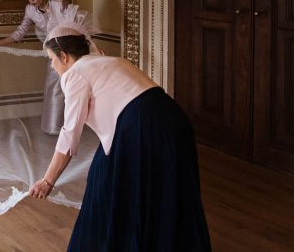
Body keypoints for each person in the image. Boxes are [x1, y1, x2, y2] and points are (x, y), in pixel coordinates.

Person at [29, 25, 212, 251]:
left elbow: (70, 133)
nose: (52, 66)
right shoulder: (111, 60)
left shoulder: (74, 74)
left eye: (51, 59)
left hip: (140, 126)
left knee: (105, 184)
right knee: (166, 187)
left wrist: (47, 181)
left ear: (64, 56)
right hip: (174, 119)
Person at [0, 0, 66, 133]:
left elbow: (76, 25)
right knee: (54, 86)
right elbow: (20, 32)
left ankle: (73, 125)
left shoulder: (58, 4)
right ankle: (55, 127)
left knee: (72, 86)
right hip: (53, 51)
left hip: (70, 49)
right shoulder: (30, 10)